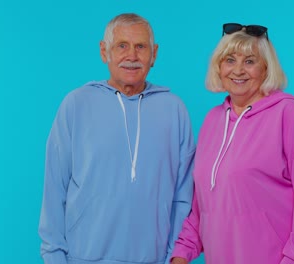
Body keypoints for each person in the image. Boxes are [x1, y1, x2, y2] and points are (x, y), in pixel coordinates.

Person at [38, 13, 196, 264]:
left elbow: (183, 195)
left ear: (153, 54)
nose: (131, 56)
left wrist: (174, 257)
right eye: (122, 45)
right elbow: (54, 189)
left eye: (140, 47)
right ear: (104, 51)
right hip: (82, 257)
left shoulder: (174, 110)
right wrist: (54, 257)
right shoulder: (76, 104)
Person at [170, 23, 294, 264]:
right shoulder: (214, 120)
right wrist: (182, 253)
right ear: (218, 66)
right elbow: (201, 204)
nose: (238, 70)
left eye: (249, 61)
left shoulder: (288, 113)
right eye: (229, 60)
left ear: (266, 68)